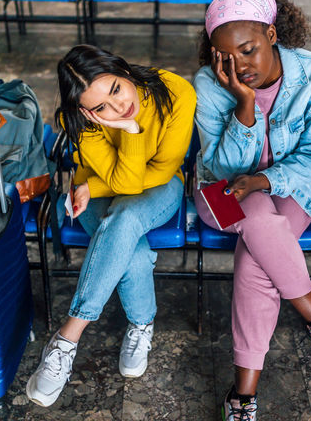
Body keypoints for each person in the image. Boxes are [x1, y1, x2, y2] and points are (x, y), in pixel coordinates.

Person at [193, 0, 311, 420]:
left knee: (257, 255)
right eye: (224, 57)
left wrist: (265, 179)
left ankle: (243, 395)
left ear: (271, 33)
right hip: (219, 192)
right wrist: (245, 107)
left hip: (290, 190)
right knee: (260, 221)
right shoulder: (211, 85)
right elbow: (218, 164)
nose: (238, 66)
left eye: (247, 50)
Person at [26, 44, 196, 407]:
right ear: (86, 110)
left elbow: (156, 173)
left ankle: (67, 339)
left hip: (161, 185)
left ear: (124, 70)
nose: (118, 107)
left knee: (126, 216)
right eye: (100, 107)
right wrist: (96, 181)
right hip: (99, 186)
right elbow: (119, 177)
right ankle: (141, 324)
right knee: (132, 250)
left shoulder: (177, 92)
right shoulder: (78, 120)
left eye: (116, 89)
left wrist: (129, 133)